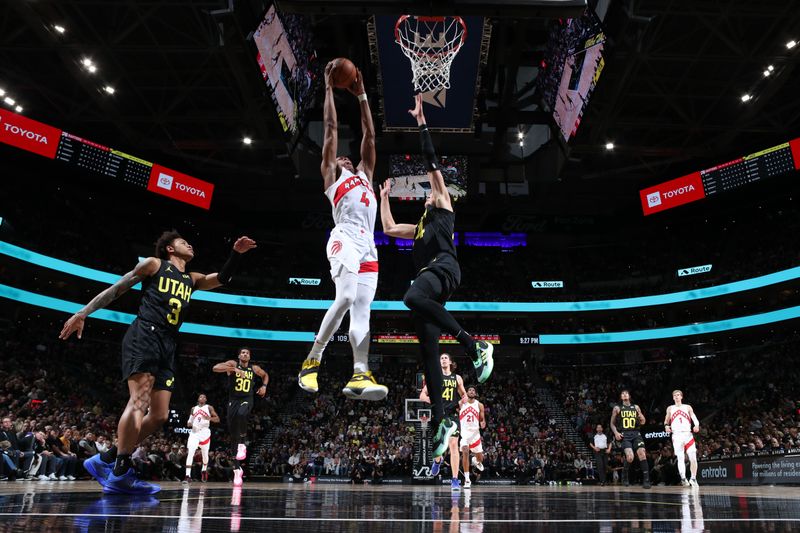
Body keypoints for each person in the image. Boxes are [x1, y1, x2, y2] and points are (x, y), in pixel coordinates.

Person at [60, 230, 256, 494]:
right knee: (138, 401)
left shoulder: (192, 279)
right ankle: (119, 471)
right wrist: (83, 312)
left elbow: (221, 279)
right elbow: (118, 288)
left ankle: (105, 459)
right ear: (169, 249)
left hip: (168, 343)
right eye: (182, 241)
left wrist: (236, 254)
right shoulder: (154, 264)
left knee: (160, 415)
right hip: (145, 333)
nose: (189, 243)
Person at [379, 94, 495, 461]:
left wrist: (421, 121)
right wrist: (384, 195)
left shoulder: (444, 207)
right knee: (427, 349)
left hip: (444, 268)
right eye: (428, 192)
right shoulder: (418, 227)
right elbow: (387, 227)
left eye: (431, 190)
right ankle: (445, 422)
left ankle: (474, 345)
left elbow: (431, 162)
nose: (428, 192)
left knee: (410, 297)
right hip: (434, 282)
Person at [297, 59, 387, 401]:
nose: (344, 158)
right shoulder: (332, 178)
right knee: (346, 297)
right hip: (344, 237)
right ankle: (312, 359)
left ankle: (359, 373)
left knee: (362, 310)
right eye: (338, 158)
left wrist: (363, 95)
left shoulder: (364, 175)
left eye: (348, 158)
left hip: (369, 245)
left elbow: (370, 135)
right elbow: (332, 129)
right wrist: (329, 89)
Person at [213, 347, 268, 487]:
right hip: (233, 400)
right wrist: (234, 370)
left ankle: (243, 444)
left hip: (247, 398)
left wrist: (264, 386)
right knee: (233, 434)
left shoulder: (254, 368)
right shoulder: (232, 364)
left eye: (247, 353)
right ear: (239, 355)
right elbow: (215, 368)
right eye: (243, 352)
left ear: (249, 357)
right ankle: (237, 469)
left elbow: (265, 375)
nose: (245, 354)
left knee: (242, 414)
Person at [420, 353, 467, 490]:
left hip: (452, 415)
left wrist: (461, 403)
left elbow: (463, 395)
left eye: (446, 358)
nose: (443, 359)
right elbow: (422, 394)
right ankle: (437, 461)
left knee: (453, 445)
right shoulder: (434, 377)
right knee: (439, 446)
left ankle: (454, 480)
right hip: (439, 414)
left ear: (451, 362)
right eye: (441, 358)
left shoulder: (457, 378)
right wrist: (431, 401)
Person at [610, 390, 651, 489]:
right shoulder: (617, 408)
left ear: (629, 396)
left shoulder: (636, 407)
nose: (624, 394)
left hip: (636, 434)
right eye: (622, 393)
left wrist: (641, 417)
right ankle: (624, 474)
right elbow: (612, 423)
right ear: (621, 397)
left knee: (642, 453)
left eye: (626, 393)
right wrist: (616, 433)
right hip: (625, 435)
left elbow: (643, 422)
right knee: (630, 457)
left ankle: (646, 480)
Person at [665, 389, 701, 487]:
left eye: (678, 395)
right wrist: (666, 426)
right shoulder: (670, 408)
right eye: (675, 395)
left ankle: (693, 478)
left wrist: (696, 425)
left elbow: (694, 418)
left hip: (687, 434)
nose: (676, 397)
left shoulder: (687, 407)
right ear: (673, 398)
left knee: (693, 457)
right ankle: (683, 478)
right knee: (680, 458)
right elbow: (666, 420)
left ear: (681, 396)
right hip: (676, 435)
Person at [183, 393, 220, 483]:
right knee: (190, 452)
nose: (202, 398)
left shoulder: (209, 407)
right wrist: (191, 424)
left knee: (205, 454)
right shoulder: (193, 409)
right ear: (198, 399)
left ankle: (204, 469)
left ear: (206, 399)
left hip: (204, 433)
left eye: (204, 397)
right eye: (200, 396)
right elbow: (189, 422)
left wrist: (209, 418)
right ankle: (187, 476)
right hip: (194, 433)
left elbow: (217, 419)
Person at [458, 385, 486, 489]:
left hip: (475, 433)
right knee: (465, 451)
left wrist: (483, 422)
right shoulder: (461, 403)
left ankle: (476, 461)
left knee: (480, 458)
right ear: (467, 392)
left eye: (473, 390)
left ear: (475, 393)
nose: (471, 391)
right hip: (464, 433)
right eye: (469, 390)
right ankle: (467, 479)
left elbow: (482, 419)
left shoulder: (480, 405)